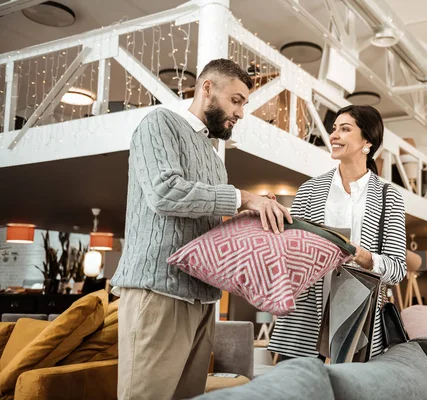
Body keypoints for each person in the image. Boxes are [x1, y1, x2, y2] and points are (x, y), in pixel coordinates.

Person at [111, 58, 292, 400]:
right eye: (236, 100)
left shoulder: (212, 157)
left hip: (204, 299)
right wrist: (244, 197)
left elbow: (208, 225)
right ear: (207, 88)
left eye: (244, 104)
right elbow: (165, 192)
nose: (240, 113)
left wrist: (248, 220)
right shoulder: (159, 123)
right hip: (158, 292)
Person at [268, 105, 407, 361]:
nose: (334, 136)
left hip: (360, 318)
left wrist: (365, 257)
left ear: (367, 140)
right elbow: (289, 254)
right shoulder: (310, 189)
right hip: (305, 316)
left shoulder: (390, 197)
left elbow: (398, 269)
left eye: (345, 129)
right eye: (334, 129)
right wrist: (277, 223)